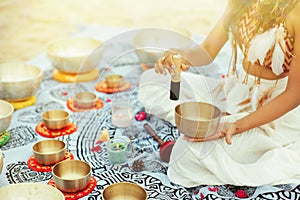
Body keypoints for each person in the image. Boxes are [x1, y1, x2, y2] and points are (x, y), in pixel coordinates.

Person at [137, 0, 300, 187]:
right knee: (152, 80)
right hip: (235, 91)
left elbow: (294, 94)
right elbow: (207, 50)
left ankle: (217, 127)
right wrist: (179, 55)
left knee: (186, 153)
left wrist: (236, 126)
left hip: (275, 112)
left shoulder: (296, 10)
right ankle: (203, 122)